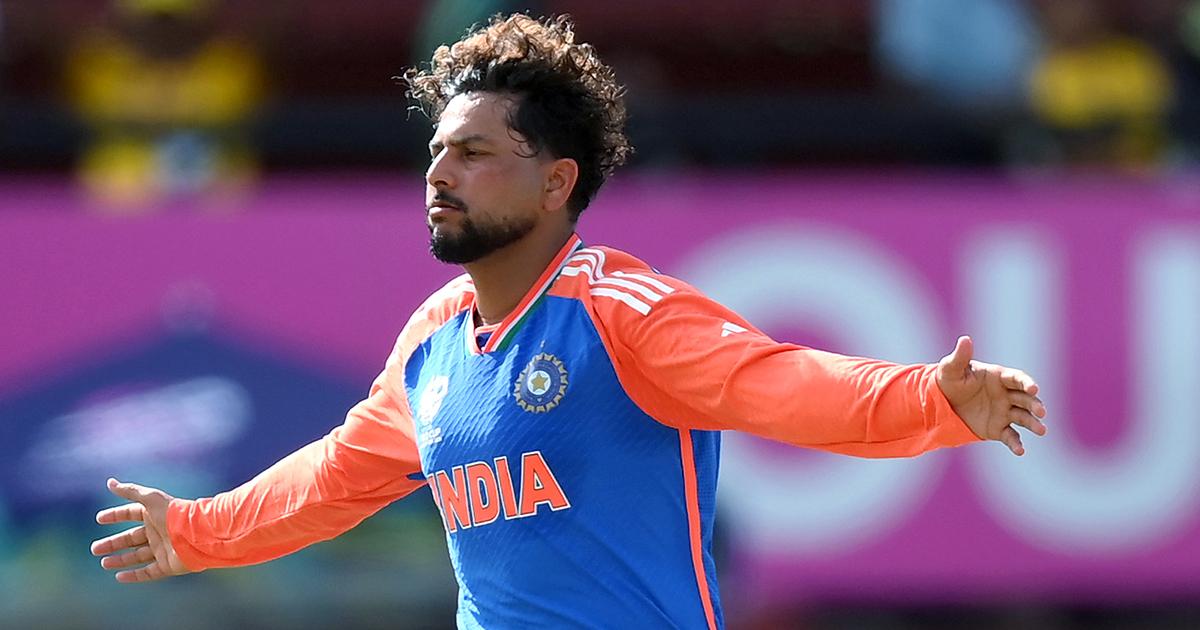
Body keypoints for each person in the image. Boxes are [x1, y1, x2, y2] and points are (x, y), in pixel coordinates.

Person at [90, 14, 1047, 630]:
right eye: (437, 152)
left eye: (474, 154)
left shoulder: (619, 310)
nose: (440, 174)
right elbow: (335, 478)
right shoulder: (432, 341)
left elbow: (778, 384)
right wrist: (200, 531)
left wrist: (931, 400)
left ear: (556, 183)